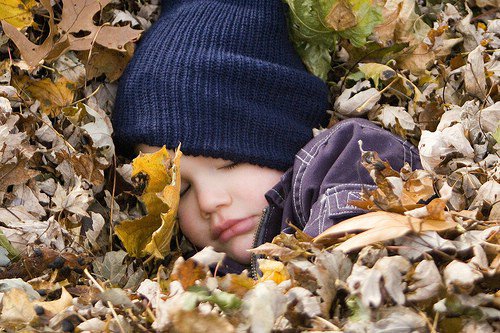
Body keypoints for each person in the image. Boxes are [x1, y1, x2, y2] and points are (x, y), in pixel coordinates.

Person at [112, 0, 421, 274]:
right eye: (182, 190)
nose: (208, 201)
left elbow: (354, 243)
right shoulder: (210, 268)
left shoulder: (342, 160)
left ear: (280, 133)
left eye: (228, 163)